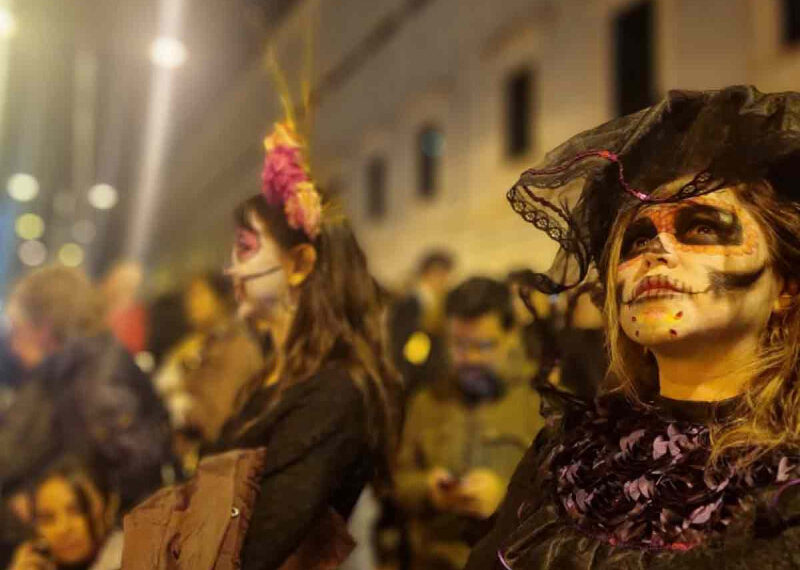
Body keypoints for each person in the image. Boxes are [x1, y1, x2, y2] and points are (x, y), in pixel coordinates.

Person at [466, 86, 800, 569]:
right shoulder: (567, 454)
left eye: (701, 227)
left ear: (786, 287)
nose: (655, 252)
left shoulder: (786, 483)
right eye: (637, 238)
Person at [123, 116, 404, 569]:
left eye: (247, 248)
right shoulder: (275, 373)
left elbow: (256, 544)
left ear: (299, 262)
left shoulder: (333, 391)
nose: (232, 269)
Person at [396, 277, 543, 570]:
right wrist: (428, 489)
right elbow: (398, 481)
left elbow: (567, 501)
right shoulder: (427, 401)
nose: (471, 358)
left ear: (511, 335)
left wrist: (505, 498)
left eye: (484, 345)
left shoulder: (541, 401)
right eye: (460, 345)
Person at [0, 266, 171, 511]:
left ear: (45, 328)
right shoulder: (77, 367)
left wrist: (39, 501)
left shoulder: (96, 379)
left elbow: (132, 477)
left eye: (18, 330)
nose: (13, 347)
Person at [153, 272, 264, 452]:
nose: (190, 303)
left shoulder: (236, 348)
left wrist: (175, 400)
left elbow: (214, 421)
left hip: (215, 459)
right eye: (189, 296)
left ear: (221, 300)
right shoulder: (195, 344)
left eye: (199, 295)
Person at [6, 458, 122, 570]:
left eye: (77, 512)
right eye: (48, 519)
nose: (63, 529)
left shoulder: (130, 556)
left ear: (109, 507)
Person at [388, 250, 454, 395]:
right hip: (415, 375)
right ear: (430, 273)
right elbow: (406, 344)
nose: (446, 280)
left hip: (434, 375)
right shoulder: (409, 303)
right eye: (443, 274)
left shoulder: (440, 301)